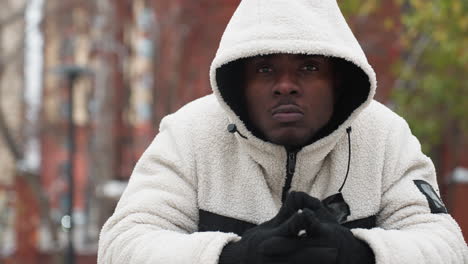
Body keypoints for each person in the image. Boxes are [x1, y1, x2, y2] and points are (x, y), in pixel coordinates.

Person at [97, 0, 468, 263]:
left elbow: (446, 246)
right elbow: (122, 245)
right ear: (239, 81)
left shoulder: (385, 137)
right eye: (264, 69)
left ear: (338, 79)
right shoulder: (190, 135)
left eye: (308, 67)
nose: (285, 85)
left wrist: (361, 253)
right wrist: (231, 256)